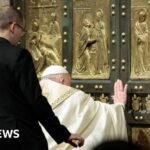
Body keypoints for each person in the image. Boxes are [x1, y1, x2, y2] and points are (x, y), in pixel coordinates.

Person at [0, 6, 84, 150]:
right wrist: (62, 133)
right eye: (22, 30)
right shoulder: (18, 56)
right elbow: (35, 100)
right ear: (13, 26)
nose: (21, 36)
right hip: (18, 137)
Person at [40, 65, 128, 150]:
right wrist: (119, 105)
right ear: (62, 80)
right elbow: (103, 115)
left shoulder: (34, 98)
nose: (70, 88)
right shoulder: (75, 97)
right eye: (69, 83)